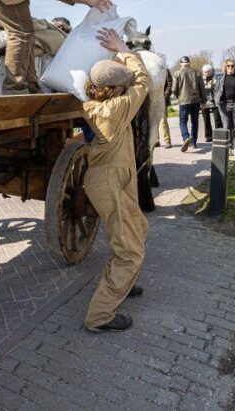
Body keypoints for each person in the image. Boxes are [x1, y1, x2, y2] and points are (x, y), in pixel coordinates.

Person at [81, 27, 150, 333]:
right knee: (130, 253)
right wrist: (124, 49)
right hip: (110, 181)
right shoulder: (119, 109)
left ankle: (124, 282)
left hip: (110, 178)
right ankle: (100, 316)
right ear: (117, 89)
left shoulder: (91, 103)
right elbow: (144, 80)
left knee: (140, 227)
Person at [171, 56, 204, 152]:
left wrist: (178, 96)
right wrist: (204, 101)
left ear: (181, 64)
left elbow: (174, 89)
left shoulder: (177, 73)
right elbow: (202, 88)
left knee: (182, 121)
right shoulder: (197, 73)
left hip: (184, 101)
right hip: (196, 100)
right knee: (195, 122)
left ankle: (186, 137)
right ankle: (193, 142)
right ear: (189, 63)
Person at [199, 65, 219, 142]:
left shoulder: (216, 78)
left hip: (214, 101)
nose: (207, 73)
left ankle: (218, 135)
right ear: (203, 72)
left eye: (209, 72)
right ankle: (208, 136)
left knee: (217, 119)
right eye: (205, 72)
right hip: (204, 102)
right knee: (206, 120)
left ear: (211, 71)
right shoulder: (200, 80)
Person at [159, 67, 173, 148]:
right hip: (152, 100)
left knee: (163, 121)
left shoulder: (165, 70)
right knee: (153, 121)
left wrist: (164, 96)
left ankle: (167, 141)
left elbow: (169, 84)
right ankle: (156, 140)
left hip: (163, 100)